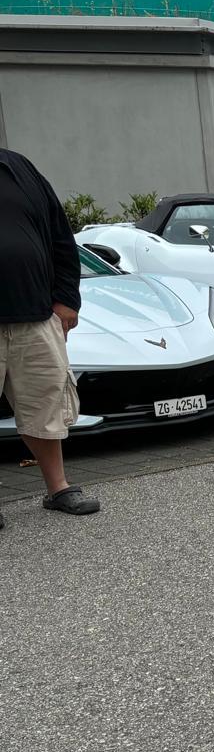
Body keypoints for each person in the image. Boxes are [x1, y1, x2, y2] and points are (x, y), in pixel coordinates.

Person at [0, 147, 98, 529]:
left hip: (34, 314)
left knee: (46, 405)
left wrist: (66, 299)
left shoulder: (19, 168)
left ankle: (58, 488)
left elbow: (61, 237)